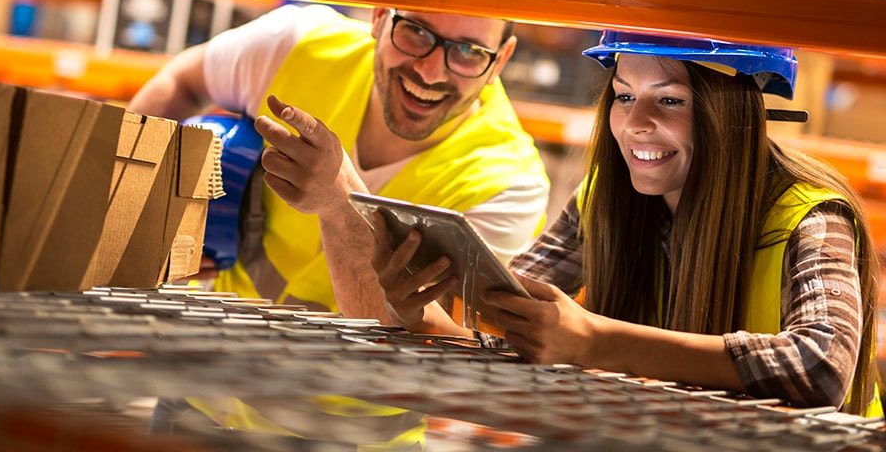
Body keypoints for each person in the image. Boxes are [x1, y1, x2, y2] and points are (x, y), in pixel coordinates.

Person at [371, 30, 883, 418]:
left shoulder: (809, 217)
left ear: (733, 111)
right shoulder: (604, 197)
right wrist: (424, 312)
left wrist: (598, 342)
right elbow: (520, 316)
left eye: (670, 99)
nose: (634, 122)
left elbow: (821, 366)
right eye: (622, 95)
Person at [128, 2, 550, 319]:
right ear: (380, 16)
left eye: (469, 52)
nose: (433, 71)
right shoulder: (297, 44)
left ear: (502, 60)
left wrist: (338, 202)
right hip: (198, 393)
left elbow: (423, 343)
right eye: (417, 32)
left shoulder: (509, 183)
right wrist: (138, 218)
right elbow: (179, 81)